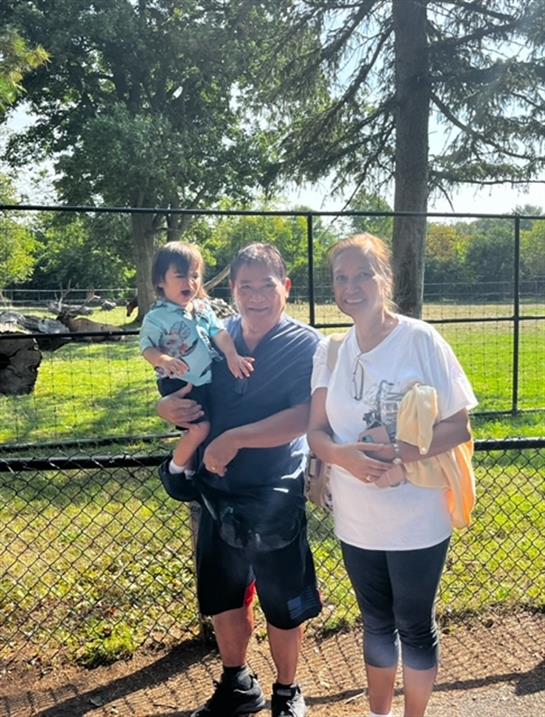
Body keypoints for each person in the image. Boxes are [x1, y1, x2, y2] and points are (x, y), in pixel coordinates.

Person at [307, 234, 477, 717]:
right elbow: (316, 433)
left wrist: (397, 455)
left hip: (416, 516)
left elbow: (458, 425)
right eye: (341, 277)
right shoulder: (331, 350)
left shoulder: (421, 340)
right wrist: (345, 457)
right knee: (376, 622)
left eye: (363, 274)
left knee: (415, 625)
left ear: (386, 279)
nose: (351, 286)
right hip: (357, 519)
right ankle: (379, 713)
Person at [157, 243, 322, 717]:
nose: (254, 296)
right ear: (231, 290)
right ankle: (237, 683)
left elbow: (305, 416)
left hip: (274, 493)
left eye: (265, 285)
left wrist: (237, 439)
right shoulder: (213, 337)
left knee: (283, 601)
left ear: (285, 288)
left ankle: (287, 690)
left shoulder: (305, 345)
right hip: (217, 492)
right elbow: (184, 390)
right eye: (244, 286)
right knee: (225, 595)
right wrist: (165, 408)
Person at [140, 241, 254, 476]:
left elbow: (219, 333)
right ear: (160, 281)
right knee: (199, 428)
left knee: (201, 427)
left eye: (194, 275)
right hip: (179, 381)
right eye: (180, 276)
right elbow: (147, 349)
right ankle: (175, 469)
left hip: (205, 379)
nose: (189, 283)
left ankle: (192, 473)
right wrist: (163, 360)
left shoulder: (203, 308)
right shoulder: (155, 317)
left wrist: (232, 355)